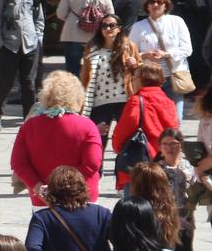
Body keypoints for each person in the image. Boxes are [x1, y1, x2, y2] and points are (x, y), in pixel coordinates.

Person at [10, 72, 102, 207]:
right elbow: (92, 164)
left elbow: (18, 163)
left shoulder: (29, 126)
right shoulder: (87, 126)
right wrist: (70, 189)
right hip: (82, 197)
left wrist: (39, 188)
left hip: (44, 199)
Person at [0, 0, 47, 130]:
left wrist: (38, 37)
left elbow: (39, 18)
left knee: (29, 84)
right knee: (5, 84)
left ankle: (29, 119)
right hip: (9, 45)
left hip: (30, 45)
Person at [112, 63, 180, 189]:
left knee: (136, 205)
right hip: (162, 161)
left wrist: (119, 149)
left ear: (142, 80)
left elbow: (122, 132)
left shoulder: (137, 101)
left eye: (134, 77)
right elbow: (174, 130)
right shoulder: (169, 102)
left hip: (139, 163)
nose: (133, 81)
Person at [129, 0, 193, 118]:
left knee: (175, 119)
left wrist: (166, 54)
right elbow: (131, 53)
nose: (156, 5)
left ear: (166, 5)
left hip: (173, 76)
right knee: (151, 118)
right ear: (147, 5)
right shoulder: (138, 26)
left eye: (160, 2)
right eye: (152, 2)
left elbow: (187, 49)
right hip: (148, 78)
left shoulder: (177, 22)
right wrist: (145, 55)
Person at [82, 14, 140, 146]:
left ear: (119, 28)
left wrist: (135, 64)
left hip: (124, 100)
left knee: (126, 141)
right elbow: (85, 75)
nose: (108, 28)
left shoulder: (129, 46)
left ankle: (123, 167)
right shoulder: (92, 48)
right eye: (104, 26)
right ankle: (98, 167)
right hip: (99, 102)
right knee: (98, 141)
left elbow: (140, 70)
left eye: (112, 25)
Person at [57, 0, 115, 77]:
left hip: (72, 35)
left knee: (72, 73)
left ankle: (75, 94)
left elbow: (61, 13)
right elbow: (111, 14)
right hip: (96, 37)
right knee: (95, 73)